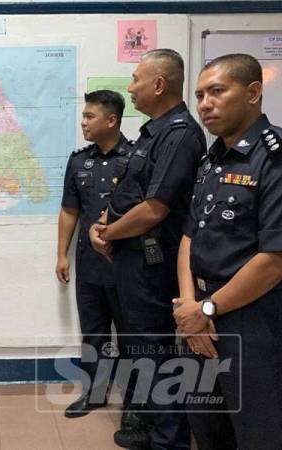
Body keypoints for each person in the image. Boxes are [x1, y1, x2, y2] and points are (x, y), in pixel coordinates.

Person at [89, 49, 206, 450]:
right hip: (131, 257)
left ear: (159, 84)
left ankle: (168, 441)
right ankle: (152, 430)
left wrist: (109, 234)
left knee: (155, 354)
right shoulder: (154, 132)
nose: (130, 87)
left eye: (136, 79)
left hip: (150, 262)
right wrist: (104, 224)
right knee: (141, 349)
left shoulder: (179, 135)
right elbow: (130, 194)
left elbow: (155, 209)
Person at [174, 53, 282, 450]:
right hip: (199, 315)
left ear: (254, 93)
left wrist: (206, 310)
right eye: (200, 94)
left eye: (217, 91)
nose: (204, 103)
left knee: (258, 431)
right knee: (207, 426)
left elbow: (274, 260)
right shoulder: (211, 161)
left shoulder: (273, 158)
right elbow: (189, 237)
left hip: (251, 319)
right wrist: (189, 307)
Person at [56, 90, 141, 429]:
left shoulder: (138, 159)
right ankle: (94, 392)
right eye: (83, 116)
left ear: (111, 120)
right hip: (89, 265)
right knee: (94, 334)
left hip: (127, 267)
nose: (83, 122)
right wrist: (61, 254)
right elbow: (69, 210)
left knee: (132, 336)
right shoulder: (79, 161)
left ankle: (135, 402)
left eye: (90, 116)